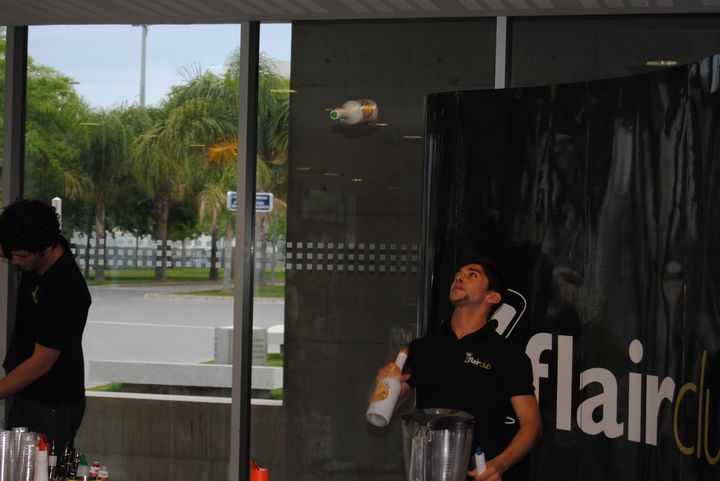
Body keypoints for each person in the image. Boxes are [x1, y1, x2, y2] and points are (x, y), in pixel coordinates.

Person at [379, 256, 541, 481]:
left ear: (492, 297)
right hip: (428, 472)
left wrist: (501, 463)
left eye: (472, 274)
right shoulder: (422, 347)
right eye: (458, 274)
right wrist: (385, 386)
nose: (459, 277)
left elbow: (532, 424)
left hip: (478, 474)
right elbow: (385, 408)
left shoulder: (508, 355)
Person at [0, 199, 91, 450]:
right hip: (27, 395)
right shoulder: (33, 246)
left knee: (44, 469)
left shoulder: (67, 289)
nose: (14, 262)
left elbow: (41, 363)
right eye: (12, 254)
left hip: (53, 406)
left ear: (47, 247)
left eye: (21, 256)